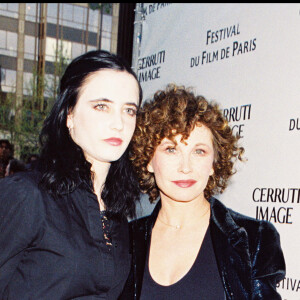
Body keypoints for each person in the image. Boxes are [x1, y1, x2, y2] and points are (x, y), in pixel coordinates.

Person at [121, 84, 286, 300]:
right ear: (148, 159)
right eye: (171, 149)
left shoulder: (253, 239)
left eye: (199, 151)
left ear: (214, 164)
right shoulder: (126, 240)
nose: (186, 167)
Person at [0, 50, 142, 299]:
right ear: (69, 114)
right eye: (102, 106)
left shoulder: (117, 215)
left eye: (129, 110)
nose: (119, 123)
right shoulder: (26, 195)